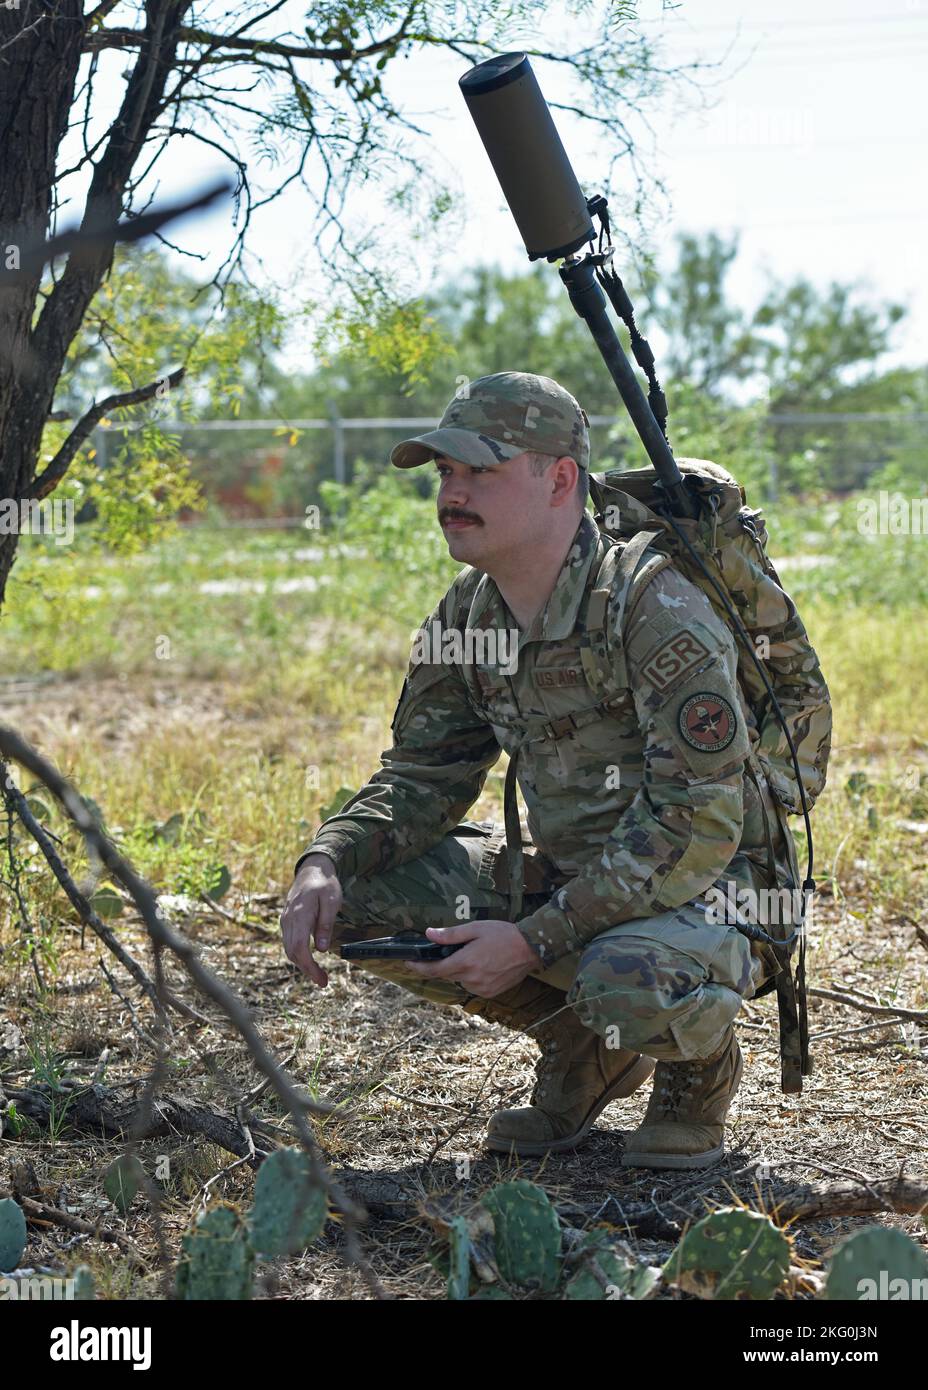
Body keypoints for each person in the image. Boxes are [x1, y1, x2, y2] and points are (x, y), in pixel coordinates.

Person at [280, 370, 789, 1168]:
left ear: (559, 481)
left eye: (481, 469)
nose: (453, 491)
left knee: (624, 973)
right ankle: (586, 1048)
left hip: (717, 887)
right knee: (360, 900)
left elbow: (697, 826)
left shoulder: (652, 607)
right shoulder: (467, 614)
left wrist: (531, 939)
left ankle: (696, 1068)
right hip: (575, 878)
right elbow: (423, 775)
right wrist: (326, 858)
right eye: (446, 472)